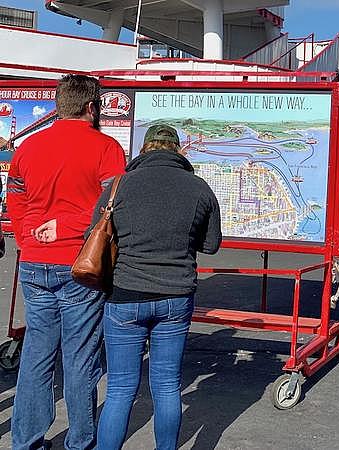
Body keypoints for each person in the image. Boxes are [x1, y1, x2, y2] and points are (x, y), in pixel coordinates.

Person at [7, 74, 126, 450]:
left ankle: (26, 439)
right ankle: (80, 441)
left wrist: (29, 236)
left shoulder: (28, 147)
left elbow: (16, 198)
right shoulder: (107, 148)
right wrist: (67, 228)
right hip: (81, 265)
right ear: (92, 108)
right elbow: (111, 208)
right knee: (80, 357)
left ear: (59, 105)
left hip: (34, 261)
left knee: (37, 355)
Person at [95, 124, 221, 450]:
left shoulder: (118, 187)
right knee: (167, 386)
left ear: (144, 149)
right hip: (175, 297)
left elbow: (92, 238)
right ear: (178, 150)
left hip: (125, 295)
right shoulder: (199, 188)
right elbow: (211, 245)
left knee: (121, 389)